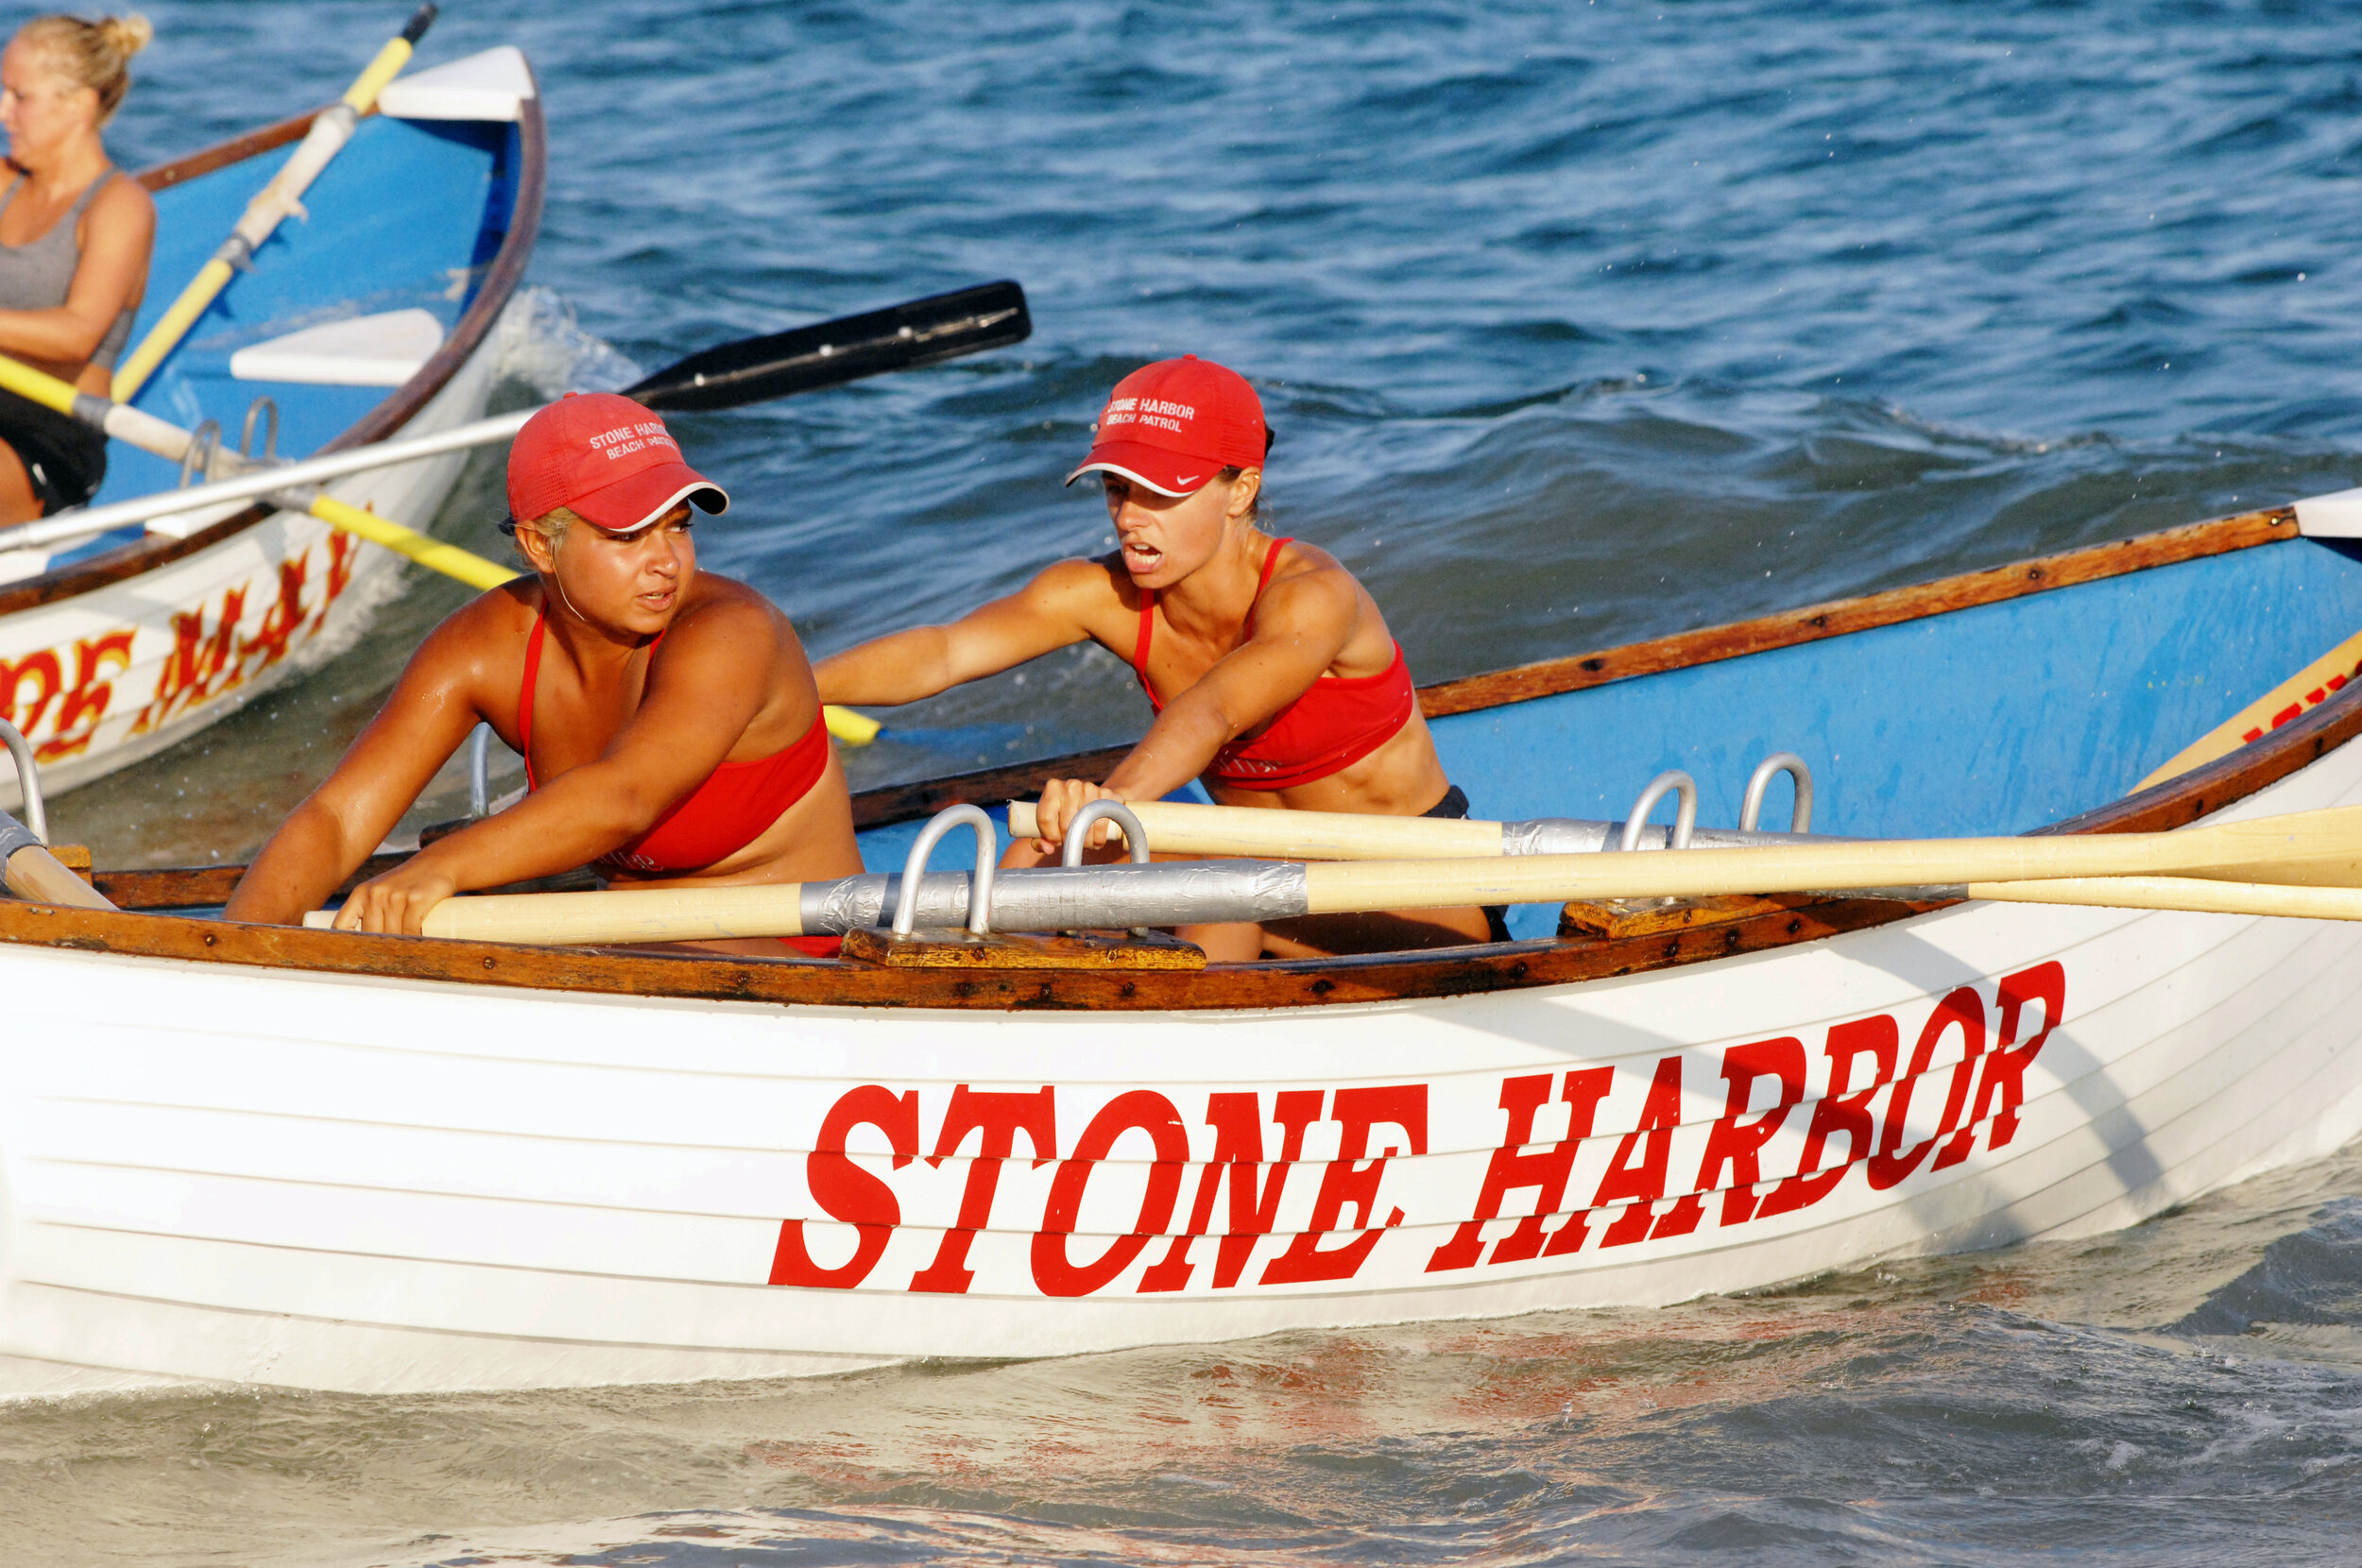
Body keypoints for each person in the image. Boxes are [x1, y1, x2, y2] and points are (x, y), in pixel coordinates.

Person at [816, 354, 1505, 961]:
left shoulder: (1314, 598)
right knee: (1041, 855)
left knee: (1201, 878)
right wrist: (794, 689)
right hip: (1263, 874)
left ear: (1241, 491)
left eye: (1162, 492)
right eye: (1118, 488)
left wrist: (1110, 805)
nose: (1129, 517)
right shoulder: (1099, 592)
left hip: (1420, 889)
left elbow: (1213, 710)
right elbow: (943, 652)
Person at [224, 393, 864, 954]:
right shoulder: (485, 647)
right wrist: (229, 955)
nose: (666, 562)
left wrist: (439, 867)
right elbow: (336, 821)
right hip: (625, 935)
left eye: (679, 528)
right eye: (627, 536)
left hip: (802, 952)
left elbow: (623, 797)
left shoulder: (731, 632)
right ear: (538, 546)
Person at [0, 12, 154, 522]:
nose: (4, 113)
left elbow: (76, 336)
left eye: (20, 97)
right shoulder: (4, 181)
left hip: (47, 436)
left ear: (78, 105)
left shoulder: (118, 208)